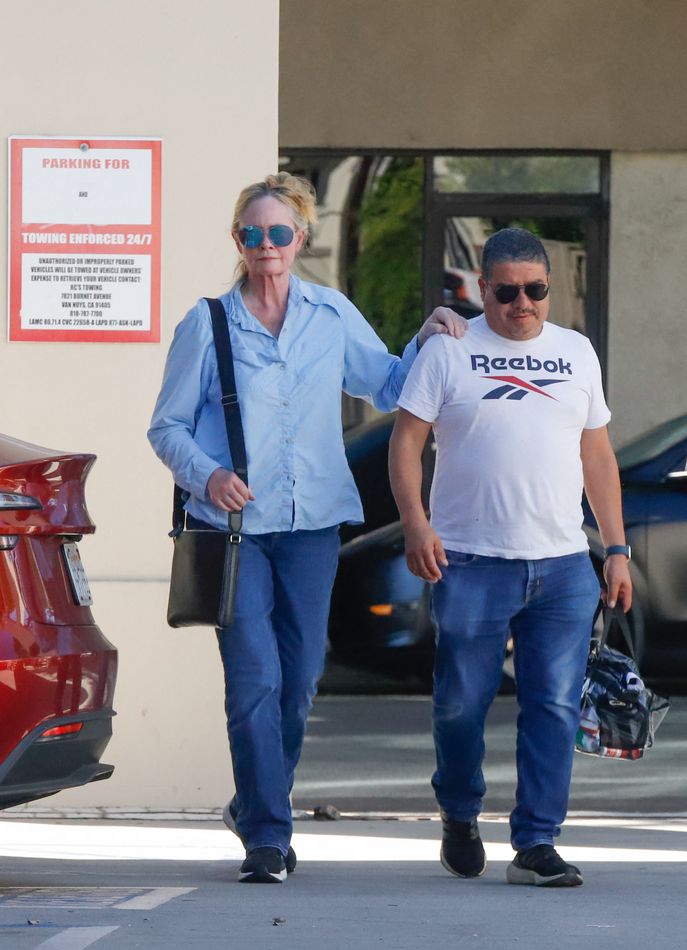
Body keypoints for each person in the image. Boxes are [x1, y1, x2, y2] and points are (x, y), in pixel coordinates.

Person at [149, 172, 464, 883]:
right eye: (253, 234)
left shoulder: (330, 314)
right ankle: (267, 835)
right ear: (238, 241)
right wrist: (208, 474)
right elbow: (165, 426)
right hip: (234, 531)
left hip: (313, 524)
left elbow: (385, 385)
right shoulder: (207, 324)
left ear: (300, 238)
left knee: (299, 682)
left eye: (279, 233)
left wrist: (423, 336)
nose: (267, 246)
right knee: (253, 678)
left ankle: (256, 800)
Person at [389, 227, 632, 887]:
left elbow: (597, 456)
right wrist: (415, 522)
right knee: (460, 705)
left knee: (552, 706)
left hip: (559, 566)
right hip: (469, 560)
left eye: (535, 290)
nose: (521, 303)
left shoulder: (576, 352)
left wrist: (615, 549)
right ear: (483, 289)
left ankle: (535, 842)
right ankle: (459, 812)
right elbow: (406, 443)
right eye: (506, 292)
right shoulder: (449, 351)